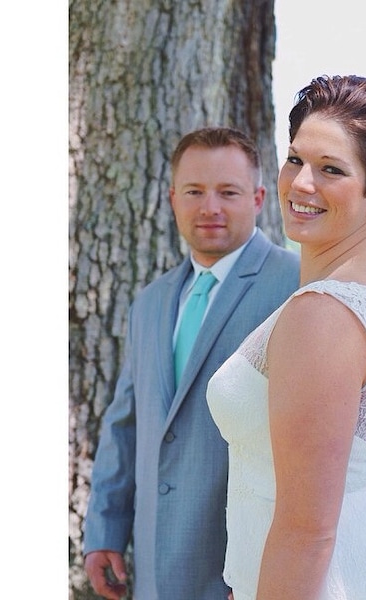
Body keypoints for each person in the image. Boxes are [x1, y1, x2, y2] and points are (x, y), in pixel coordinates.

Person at [207, 75, 366, 599]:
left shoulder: (323, 315)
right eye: (295, 159)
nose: (300, 184)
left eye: (331, 170)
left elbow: (307, 533)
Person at [83, 126, 300, 600]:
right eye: (195, 192)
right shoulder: (150, 303)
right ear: (172, 198)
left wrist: (272, 572)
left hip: (243, 569)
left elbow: (312, 448)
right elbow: (126, 424)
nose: (210, 208)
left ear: (259, 197)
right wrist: (105, 532)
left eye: (228, 192)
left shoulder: (297, 288)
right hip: (155, 568)